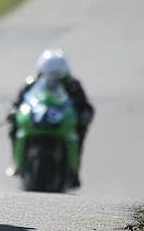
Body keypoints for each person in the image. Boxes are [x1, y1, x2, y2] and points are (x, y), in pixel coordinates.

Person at [6, 49, 94, 187]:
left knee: (80, 132)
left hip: (63, 122)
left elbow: (86, 106)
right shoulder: (32, 83)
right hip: (36, 119)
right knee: (14, 126)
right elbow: (19, 101)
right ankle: (17, 162)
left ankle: (74, 169)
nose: (54, 79)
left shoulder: (73, 86)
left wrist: (85, 115)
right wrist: (12, 112)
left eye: (58, 76)